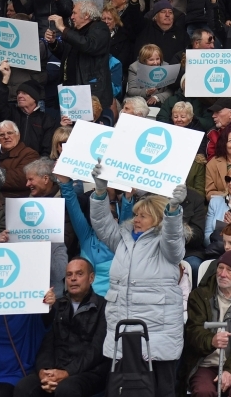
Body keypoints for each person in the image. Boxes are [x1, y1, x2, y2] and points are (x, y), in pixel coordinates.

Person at [90, 165, 187, 397]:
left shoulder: (166, 244)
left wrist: (173, 210)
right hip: (124, 329)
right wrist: (101, 191)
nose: (136, 219)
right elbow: (102, 224)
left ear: (156, 219)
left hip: (158, 332)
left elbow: (174, 241)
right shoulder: (122, 238)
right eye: (135, 214)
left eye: (143, 215)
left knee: (161, 390)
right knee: (126, 390)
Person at [12, 258, 108, 397]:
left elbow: (96, 350)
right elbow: (47, 345)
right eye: (69, 275)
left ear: (91, 278)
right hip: (56, 368)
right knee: (24, 387)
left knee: (67, 389)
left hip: (89, 372)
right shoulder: (57, 306)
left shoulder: (104, 307)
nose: (73, 279)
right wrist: (44, 371)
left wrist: (67, 373)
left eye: (79, 274)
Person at [182, 249, 231, 397]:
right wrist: (211, 340)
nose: (223, 274)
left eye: (230, 270)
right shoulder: (200, 296)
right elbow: (193, 331)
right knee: (203, 391)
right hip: (205, 363)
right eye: (220, 268)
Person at [45, 0, 113, 114]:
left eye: (74, 13)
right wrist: (53, 43)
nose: (71, 17)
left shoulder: (100, 28)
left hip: (90, 91)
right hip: (69, 90)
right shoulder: (76, 31)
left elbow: (88, 45)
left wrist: (63, 28)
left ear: (86, 15)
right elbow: (65, 55)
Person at [0, 62, 59, 157]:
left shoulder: (47, 120)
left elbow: (47, 150)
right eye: (18, 93)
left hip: (35, 164)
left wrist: (38, 167)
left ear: (34, 98)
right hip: (10, 162)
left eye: (24, 93)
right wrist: (5, 79)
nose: (19, 96)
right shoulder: (11, 113)